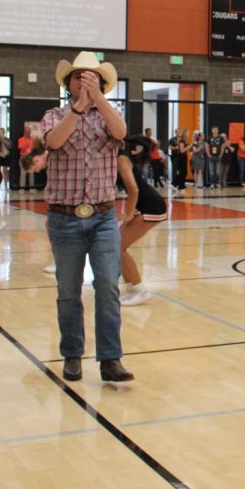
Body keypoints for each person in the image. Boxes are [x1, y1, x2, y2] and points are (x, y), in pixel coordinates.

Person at [42, 52, 133, 383]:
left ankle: (110, 358)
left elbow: (121, 132)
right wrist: (79, 108)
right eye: (79, 76)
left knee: (108, 285)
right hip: (64, 219)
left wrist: (99, 101)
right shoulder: (54, 115)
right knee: (68, 290)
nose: (85, 81)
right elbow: (52, 142)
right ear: (68, 83)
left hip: (103, 217)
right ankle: (72, 354)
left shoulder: (109, 115)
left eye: (92, 77)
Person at [117, 135, 167, 306]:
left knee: (119, 247)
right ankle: (131, 289)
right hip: (142, 205)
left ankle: (141, 290)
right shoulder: (116, 157)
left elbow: (134, 190)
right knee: (116, 246)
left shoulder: (121, 158)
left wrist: (129, 214)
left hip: (152, 206)